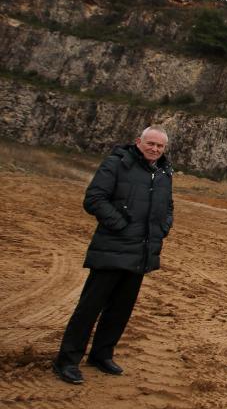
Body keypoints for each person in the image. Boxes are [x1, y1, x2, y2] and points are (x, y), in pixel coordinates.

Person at [51, 126, 174, 384]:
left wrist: (163, 227)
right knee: (89, 308)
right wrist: (120, 225)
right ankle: (67, 360)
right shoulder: (117, 164)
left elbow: (167, 206)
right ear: (138, 141)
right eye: (150, 143)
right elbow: (94, 198)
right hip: (112, 248)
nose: (154, 149)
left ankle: (102, 354)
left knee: (120, 309)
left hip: (141, 252)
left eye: (160, 146)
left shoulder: (164, 172)